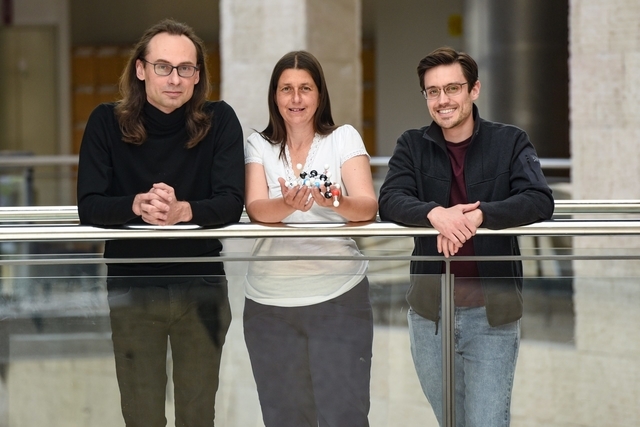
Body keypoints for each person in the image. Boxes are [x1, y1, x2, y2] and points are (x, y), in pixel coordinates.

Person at [76, 19, 244, 427]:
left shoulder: (219, 120)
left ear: (198, 75)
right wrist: (137, 205)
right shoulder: (105, 122)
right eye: (163, 67)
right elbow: (89, 205)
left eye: (185, 68)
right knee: (141, 414)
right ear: (140, 69)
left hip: (201, 286)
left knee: (198, 414)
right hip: (132, 285)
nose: (174, 78)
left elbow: (231, 202)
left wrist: (182, 211)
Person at [378, 47, 554, 426]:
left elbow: (539, 199)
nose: (443, 100)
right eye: (433, 91)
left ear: (474, 90)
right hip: (429, 316)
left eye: (452, 88)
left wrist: (480, 215)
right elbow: (390, 200)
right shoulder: (411, 144)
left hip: (491, 315)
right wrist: (434, 214)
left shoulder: (509, 141)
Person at [243, 50, 378, 427]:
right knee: (283, 417)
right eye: (286, 89)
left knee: (344, 415)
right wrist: (287, 204)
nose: (296, 98)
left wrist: (336, 201)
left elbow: (366, 206)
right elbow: (257, 208)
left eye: (305, 88)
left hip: (339, 299)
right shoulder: (258, 145)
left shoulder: (343, 138)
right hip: (268, 305)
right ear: (275, 95)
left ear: (320, 95)